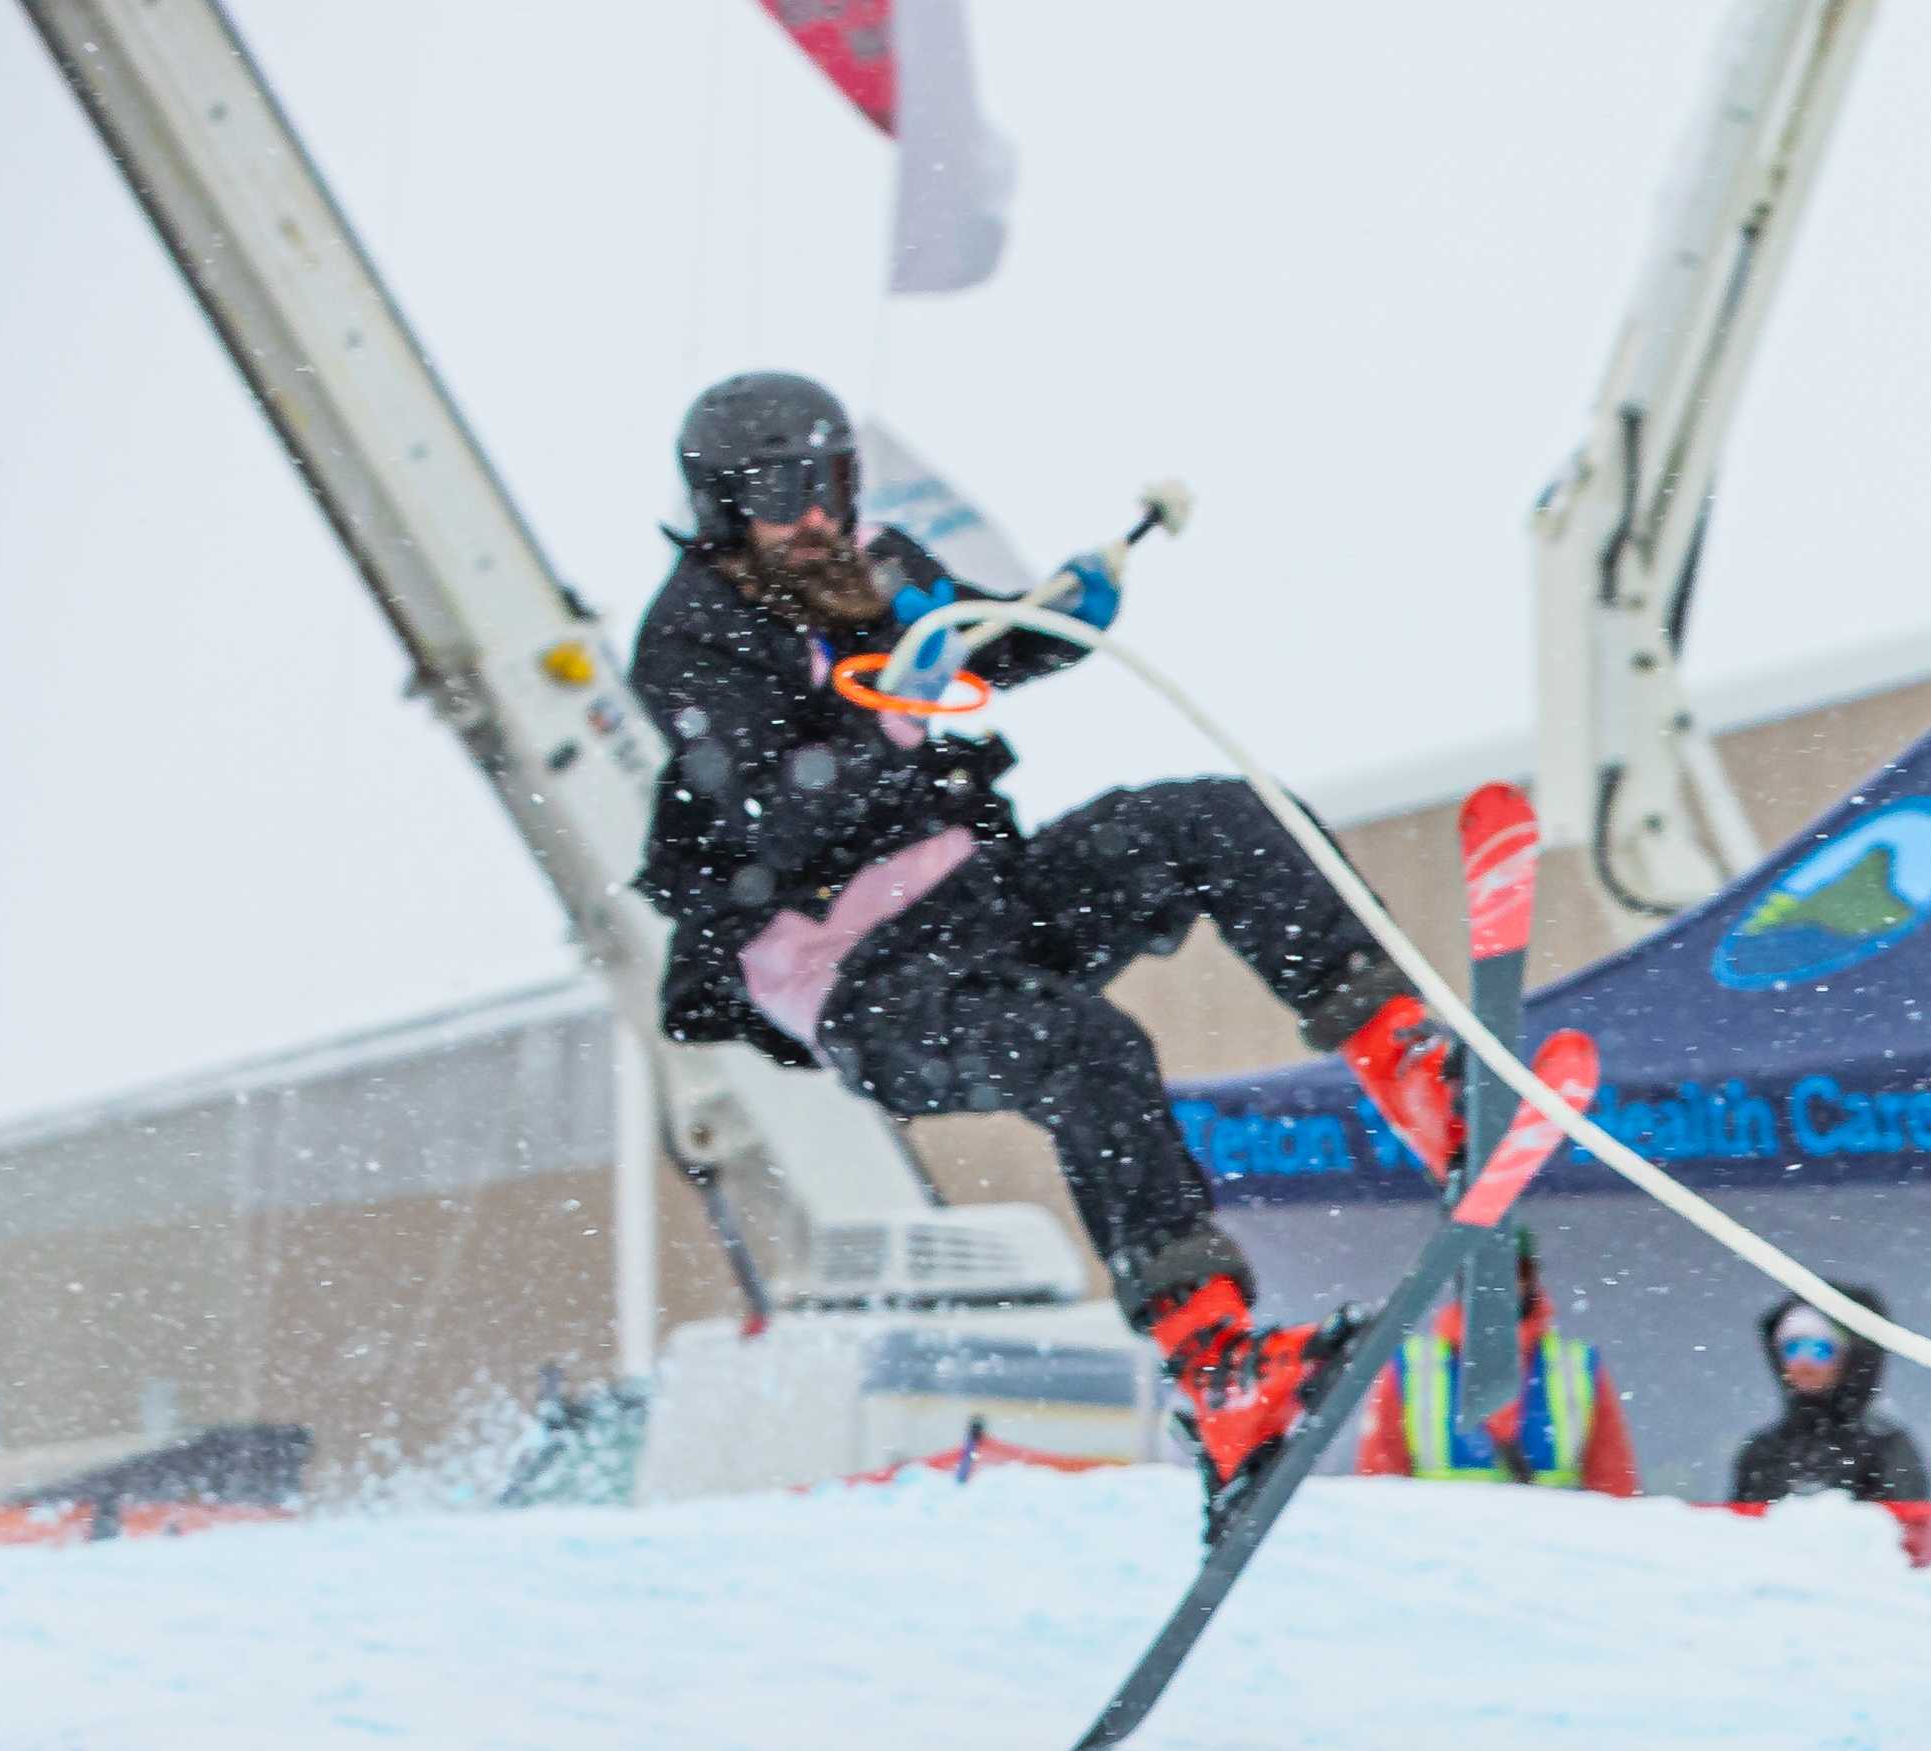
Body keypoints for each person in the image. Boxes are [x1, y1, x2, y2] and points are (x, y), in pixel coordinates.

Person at [624, 372, 1467, 1511]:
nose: (816, 516)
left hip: (983, 899)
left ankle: (1411, 1069)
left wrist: (1058, 614)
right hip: (865, 982)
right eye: (783, 493)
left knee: (1210, 820)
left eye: (829, 481)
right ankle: (1214, 1366)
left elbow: (983, 646)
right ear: (725, 506)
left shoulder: (878, 561)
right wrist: (891, 712)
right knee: (1086, 1047)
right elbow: (779, 812)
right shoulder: (690, 640)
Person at [1351, 1233, 1639, 1491]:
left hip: (1549, 1548)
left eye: (1516, 1271)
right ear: (1465, 1278)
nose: (1502, 1282)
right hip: (1440, 1548)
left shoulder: (1578, 1368)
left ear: (1531, 1277)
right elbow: (1378, 1492)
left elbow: (1615, 1490)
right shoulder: (1411, 1368)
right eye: (1486, 1270)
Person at [1729, 1291, 1931, 1505]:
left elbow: (1906, 1528)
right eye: (1792, 1348)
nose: (1804, 1362)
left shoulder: (1886, 1446)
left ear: (1847, 1355)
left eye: (1819, 1349)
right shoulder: (1763, 1452)